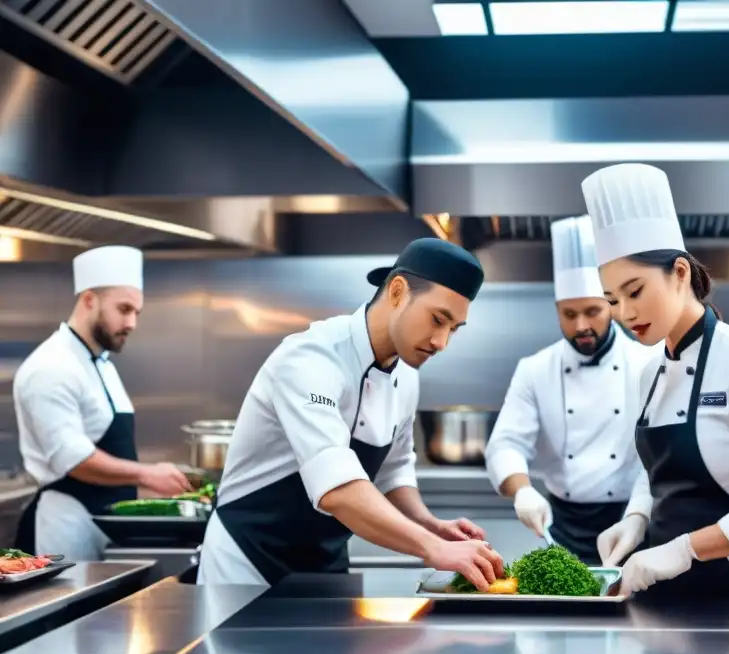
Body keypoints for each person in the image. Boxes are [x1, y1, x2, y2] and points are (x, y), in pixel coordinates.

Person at [197, 238, 505, 589]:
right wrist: (431, 548)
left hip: (324, 566)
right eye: (437, 320)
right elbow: (337, 490)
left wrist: (430, 524)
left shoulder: (406, 376)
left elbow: (393, 471)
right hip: (246, 565)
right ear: (398, 291)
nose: (441, 342)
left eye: (453, 329)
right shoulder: (310, 359)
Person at [581, 163, 729, 599]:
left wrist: (686, 549)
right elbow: (657, 474)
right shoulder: (650, 374)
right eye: (612, 300)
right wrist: (636, 518)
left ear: (679, 273)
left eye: (635, 292)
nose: (625, 313)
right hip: (654, 595)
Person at [485, 215, 659, 564]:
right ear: (557, 310)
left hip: (633, 517)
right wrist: (523, 493)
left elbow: (658, 458)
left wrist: (638, 516)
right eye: (569, 314)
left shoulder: (648, 363)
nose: (581, 325)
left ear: (611, 305)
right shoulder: (535, 369)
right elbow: (505, 445)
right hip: (562, 526)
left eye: (592, 311)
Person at [13, 246, 192, 560]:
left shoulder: (100, 363)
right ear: (89, 300)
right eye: (124, 309)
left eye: (137, 312)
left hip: (102, 526)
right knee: (70, 609)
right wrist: (147, 475)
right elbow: (75, 460)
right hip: (64, 527)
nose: (132, 322)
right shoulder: (51, 367)